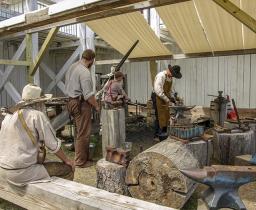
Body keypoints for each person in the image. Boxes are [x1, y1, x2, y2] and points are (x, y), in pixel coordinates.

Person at [0, 84, 74, 187]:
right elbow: (53, 145)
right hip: (20, 173)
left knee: (46, 161)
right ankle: (54, 199)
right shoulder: (37, 115)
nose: (44, 105)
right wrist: (67, 160)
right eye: (43, 102)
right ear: (38, 102)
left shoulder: (9, 115)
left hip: (3, 169)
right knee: (67, 169)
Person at [65, 49, 100, 168]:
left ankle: (80, 157)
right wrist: (96, 105)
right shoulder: (84, 72)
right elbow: (89, 95)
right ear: (91, 60)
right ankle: (80, 161)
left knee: (78, 132)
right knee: (84, 133)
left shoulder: (72, 67)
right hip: (81, 104)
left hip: (71, 101)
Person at [151, 65, 182, 141]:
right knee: (159, 116)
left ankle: (163, 133)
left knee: (166, 115)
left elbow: (169, 91)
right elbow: (158, 90)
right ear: (169, 70)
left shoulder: (170, 78)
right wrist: (167, 100)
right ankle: (156, 135)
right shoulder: (161, 76)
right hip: (157, 96)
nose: (173, 76)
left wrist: (174, 99)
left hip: (164, 97)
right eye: (173, 74)